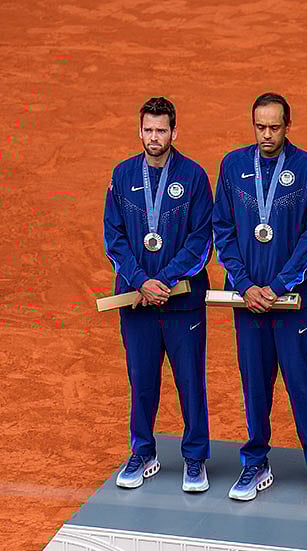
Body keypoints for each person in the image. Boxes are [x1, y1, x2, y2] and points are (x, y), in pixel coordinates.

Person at [212, 92, 307, 505]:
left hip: (293, 303)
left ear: (288, 126)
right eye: (260, 127)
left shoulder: (306, 169)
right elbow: (223, 229)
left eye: (275, 127)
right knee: (255, 384)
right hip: (247, 301)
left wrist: (281, 285)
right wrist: (244, 283)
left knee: (303, 384)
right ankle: (255, 463)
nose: (267, 135)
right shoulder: (232, 166)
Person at [104, 96, 214, 493]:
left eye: (161, 130)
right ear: (140, 131)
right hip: (136, 301)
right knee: (142, 380)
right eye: (148, 130)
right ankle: (143, 452)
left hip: (182, 301)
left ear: (174, 132)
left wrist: (163, 280)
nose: (154, 137)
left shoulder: (195, 176)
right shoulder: (122, 174)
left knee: (190, 381)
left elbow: (203, 240)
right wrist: (140, 281)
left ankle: (195, 458)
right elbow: (113, 238)